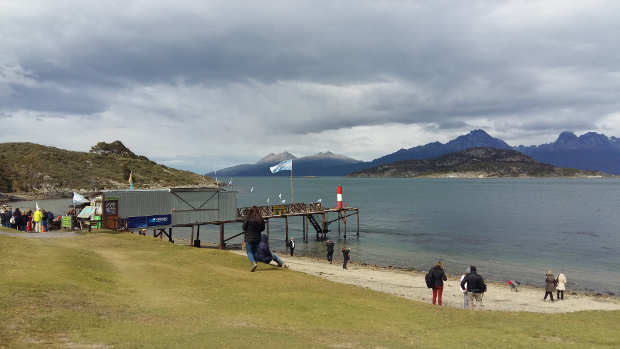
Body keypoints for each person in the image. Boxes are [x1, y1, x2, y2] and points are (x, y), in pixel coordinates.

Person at [242, 206, 265, 272]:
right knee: (255, 252)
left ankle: (254, 264)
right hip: (257, 238)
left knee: (249, 252)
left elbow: (244, 227)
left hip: (249, 238)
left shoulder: (247, 219)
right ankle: (255, 264)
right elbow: (263, 228)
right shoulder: (260, 219)